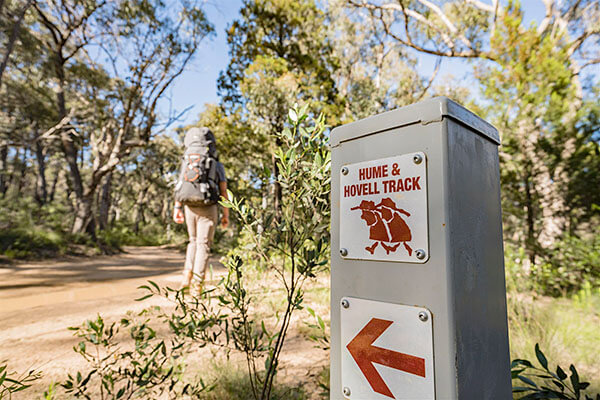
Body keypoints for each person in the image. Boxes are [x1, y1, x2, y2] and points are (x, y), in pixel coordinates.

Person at [172, 127, 229, 295]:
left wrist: (177, 208)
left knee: (193, 241)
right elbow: (223, 191)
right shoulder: (216, 164)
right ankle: (197, 285)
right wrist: (226, 214)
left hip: (189, 205)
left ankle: (185, 278)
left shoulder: (187, 161)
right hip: (208, 207)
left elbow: (180, 185)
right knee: (203, 244)